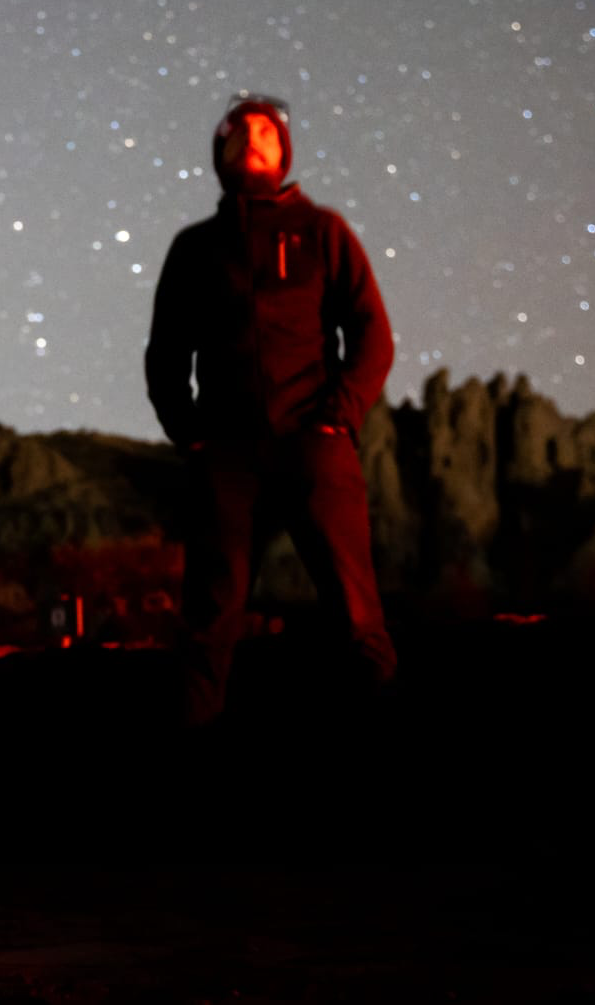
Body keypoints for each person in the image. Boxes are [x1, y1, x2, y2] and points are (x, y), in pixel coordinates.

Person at [145, 94, 399, 726]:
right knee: (209, 620)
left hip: (313, 443)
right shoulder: (195, 248)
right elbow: (166, 351)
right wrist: (189, 432)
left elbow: (371, 333)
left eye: (266, 132)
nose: (253, 139)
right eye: (240, 132)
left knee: (356, 613)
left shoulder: (322, 231)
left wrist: (338, 417)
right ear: (221, 153)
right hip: (226, 455)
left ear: (283, 152)